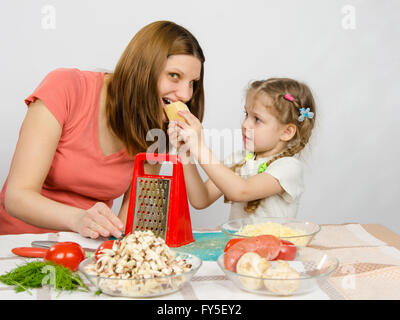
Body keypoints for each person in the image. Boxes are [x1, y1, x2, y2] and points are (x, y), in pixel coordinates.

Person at [0, 20, 205, 238]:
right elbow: (17, 197)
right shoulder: (66, 87)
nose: (186, 94)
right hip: (20, 245)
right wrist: (78, 219)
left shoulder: (155, 129)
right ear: (143, 68)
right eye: (174, 75)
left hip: (86, 250)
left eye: (192, 82)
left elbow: (131, 222)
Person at [168, 78, 316, 220]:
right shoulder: (238, 160)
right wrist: (186, 152)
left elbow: (241, 191)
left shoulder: (288, 167)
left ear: (287, 132)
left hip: (275, 246)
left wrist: (200, 147)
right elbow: (201, 199)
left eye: (257, 119)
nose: (245, 124)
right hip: (240, 246)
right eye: (247, 115)